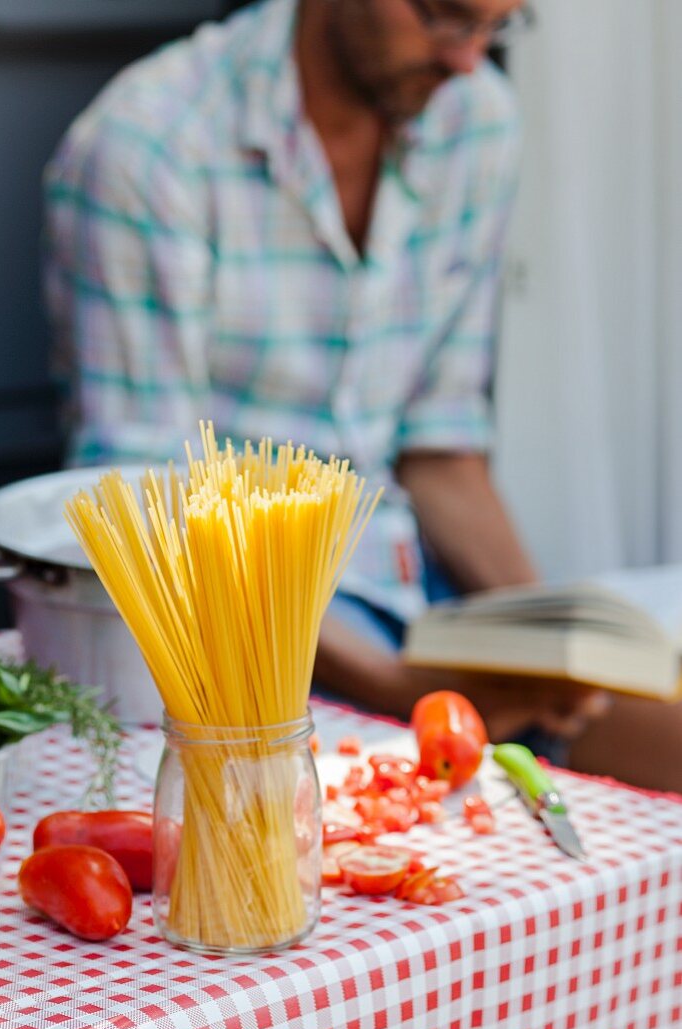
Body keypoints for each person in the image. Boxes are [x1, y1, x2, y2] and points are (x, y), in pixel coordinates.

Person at [44, 0, 682, 791]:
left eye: (497, 26)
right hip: (250, 634)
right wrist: (389, 687)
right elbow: (151, 515)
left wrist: (549, 645)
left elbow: (441, 446)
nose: (467, 58)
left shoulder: (475, 122)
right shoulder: (146, 149)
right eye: (446, 15)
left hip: (425, 607)